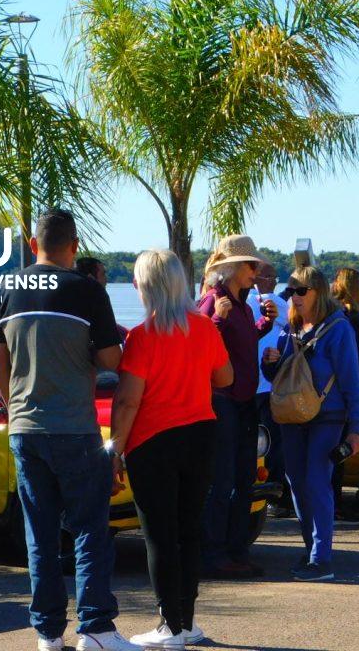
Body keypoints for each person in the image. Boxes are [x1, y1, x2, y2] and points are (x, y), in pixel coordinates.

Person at [0, 209, 137, 651]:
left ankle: (47, 634)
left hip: (25, 429)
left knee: (40, 535)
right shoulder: (86, 290)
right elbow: (113, 360)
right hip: (75, 429)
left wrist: (14, 406)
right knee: (90, 529)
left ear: (34, 246)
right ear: (73, 247)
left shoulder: (7, 289)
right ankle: (94, 628)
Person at [110, 249, 234, 650]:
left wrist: (115, 448)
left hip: (153, 442)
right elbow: (226, 377)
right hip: (200, 434)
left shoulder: (143, 337)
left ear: (146, 286)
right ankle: (187, 621)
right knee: (188, 531)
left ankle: (170, 626)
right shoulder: (203, 328)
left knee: (159, 536)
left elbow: (129, 401)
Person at [261, 266, 359, 581]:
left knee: (318, 482)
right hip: (292, 417)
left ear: (318, 291)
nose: (294, 297)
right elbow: (278, 377)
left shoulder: (338, 329)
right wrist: (270, 365)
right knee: (296, 482)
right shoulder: (288, 328)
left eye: (301, 291)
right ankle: (311, 552)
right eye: (290, 291)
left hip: (327, 417)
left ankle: (321, 559)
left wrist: (356, 428)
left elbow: (353, 380)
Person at [197, 234, 277, 579]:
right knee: (224, 480)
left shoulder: (242, 305)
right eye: (250, 264)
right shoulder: (213, 302)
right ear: (231, 268)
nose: (256, 270)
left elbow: (240, 344)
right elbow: (199, 347)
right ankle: (216, 553)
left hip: (244, 400)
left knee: (243, 479)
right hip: (223, 402)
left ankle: (235, 549)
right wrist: (215, 319)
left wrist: (265, 326)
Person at [247, 262, 292, 517]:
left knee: (255, 443)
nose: (275, 281)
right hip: (270, 385)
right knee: (274, 443)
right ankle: (275, 496)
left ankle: (255, 490)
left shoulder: (242, 304)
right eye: (272, 276)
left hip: (248, 385)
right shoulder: (275, 302)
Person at [330, 267, 359, 525]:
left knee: (335, 450)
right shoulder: (352, 316)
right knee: (341, 450)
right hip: (350, 391)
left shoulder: (333, 312)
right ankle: (335, 504)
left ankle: (333, 502)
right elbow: (357, 360)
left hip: (335, 392)